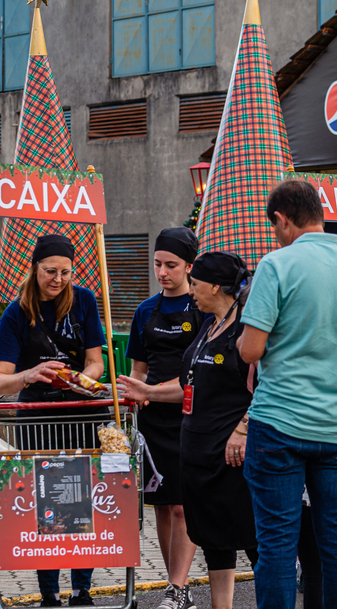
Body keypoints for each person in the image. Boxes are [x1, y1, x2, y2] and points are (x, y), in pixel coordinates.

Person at [237, 180, 337, 609]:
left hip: (279, 423)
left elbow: (250, 350)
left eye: (275, 227)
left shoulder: (276, 265)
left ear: (282, 219)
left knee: (277, 543)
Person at [119, 251, 257, 609]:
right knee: (214, 538)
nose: (190, 291)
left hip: (233, 455)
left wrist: (243, 429)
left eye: (195, 284)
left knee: (252, 537)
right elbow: (188, 384)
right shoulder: (209, 325)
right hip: (199, 453)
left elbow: (268, 386)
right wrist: (147, 391)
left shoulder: (246, 329)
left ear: (216, 286)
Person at [0, 234, 106, 607]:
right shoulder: (16, 312)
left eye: (65, 272)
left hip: (81, 412)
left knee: (83, 501)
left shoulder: (84, 301)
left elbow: (96, 362)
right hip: (38, 416)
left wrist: (80, 380)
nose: (58, 279)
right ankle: (49, 592)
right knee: (47, 504)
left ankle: (82, 589)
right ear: (35, 268)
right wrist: (30, 375)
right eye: (50, 271)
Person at [124, 228, 204, 609]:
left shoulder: (202, 308)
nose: (162, 272)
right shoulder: (145, 310)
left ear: (190, 266)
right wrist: (133, 394)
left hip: (189, 417)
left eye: (171, 265)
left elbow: (200, 372)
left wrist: (149, 390)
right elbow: (138, 370)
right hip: (152, 419)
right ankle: (177, 587)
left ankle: (177, 585)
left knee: (183, 506)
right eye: (157, 264)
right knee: (162, 506)